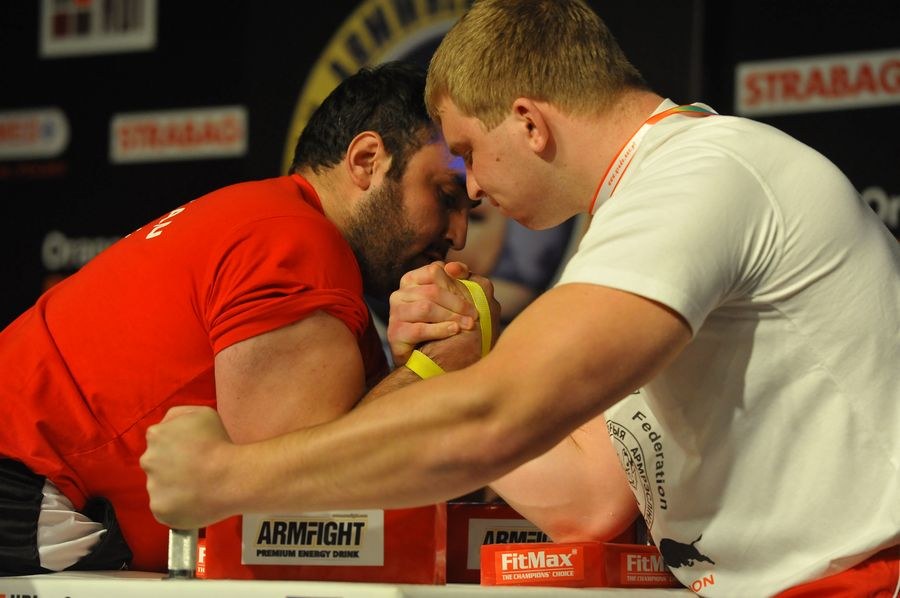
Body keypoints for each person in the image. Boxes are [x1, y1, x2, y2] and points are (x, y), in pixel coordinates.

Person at [140, 1, 900, 595]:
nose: (471, 190)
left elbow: (495, 419)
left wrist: (225, 480)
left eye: (467, 152)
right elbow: (586, 499)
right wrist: (470, 360)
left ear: (531, 124)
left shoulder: (698, 176)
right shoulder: (652, 210)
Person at [0, 60, 487, 575]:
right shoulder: (296, 240)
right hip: (27, 484)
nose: (458, 233)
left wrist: (412, 373)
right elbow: (295, 508)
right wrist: (435, 370)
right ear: (367, 161)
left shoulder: (265, 218)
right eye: (446, 196)